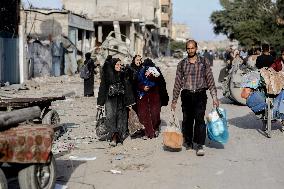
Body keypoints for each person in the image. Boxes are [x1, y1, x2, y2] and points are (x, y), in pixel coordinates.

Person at [171, 40, 219, 156]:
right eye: (188, 48)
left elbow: (210, 79)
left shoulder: (203, 62)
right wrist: (174, 100)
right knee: (187, 120)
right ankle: (188, 141)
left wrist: (214, 97)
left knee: (199, 119)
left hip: (200, 94)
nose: (190, 50)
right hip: (186, 94)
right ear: (186, 49)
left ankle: (199, 144)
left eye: (192, 48)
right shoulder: (182, 64)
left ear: (196, 48)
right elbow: (177, 82)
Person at [97, 58, 135, 146]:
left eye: (120, 65)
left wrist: (129, 102)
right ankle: (113, 137)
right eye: (117, 65)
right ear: (113, 65)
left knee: (121, 118)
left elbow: (127, 88)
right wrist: (100, 103)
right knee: (111, 117)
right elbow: (103, 89)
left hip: (121, 100)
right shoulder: (107, 75)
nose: (119, 66)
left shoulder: (122, 74)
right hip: (110, 101)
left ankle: (118, 136)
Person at [136, 58, 168, 139]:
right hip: (143, 96)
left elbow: (161, 82)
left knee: (155, 113)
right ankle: (147, 133)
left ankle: (155, 129)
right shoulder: (141, 71)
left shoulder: (156, 71)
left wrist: (152, 76)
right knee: (145, 114)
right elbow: (137, 83)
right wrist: (143, 87)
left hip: (155, 96)